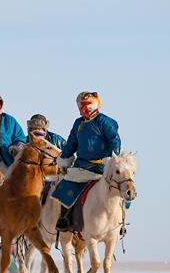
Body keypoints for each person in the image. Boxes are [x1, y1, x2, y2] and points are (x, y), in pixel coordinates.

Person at [52, 91, 121, 230]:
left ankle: (120, 221)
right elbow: (71, 143)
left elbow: (114, 140)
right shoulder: (78, 123)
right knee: (65, 187)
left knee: (122, 186)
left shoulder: (104, 121)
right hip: (82, 166)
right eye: (81, 106)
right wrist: (64, 158)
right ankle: (64, 218)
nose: (84, 108)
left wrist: (112, 158)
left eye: (87, 105)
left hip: (103, 166)